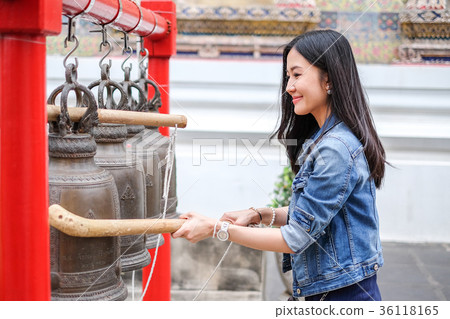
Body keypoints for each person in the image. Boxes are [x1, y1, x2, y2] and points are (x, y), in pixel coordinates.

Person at [172, 29, 386, 301]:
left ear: (329, 79)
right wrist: (260, 214)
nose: (289, 87)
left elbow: (294, 237)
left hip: (345, 296)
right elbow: (313, 212)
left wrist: (216, 228)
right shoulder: (324, 139)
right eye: (288, 77)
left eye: (297, 75)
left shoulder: (336, 148)